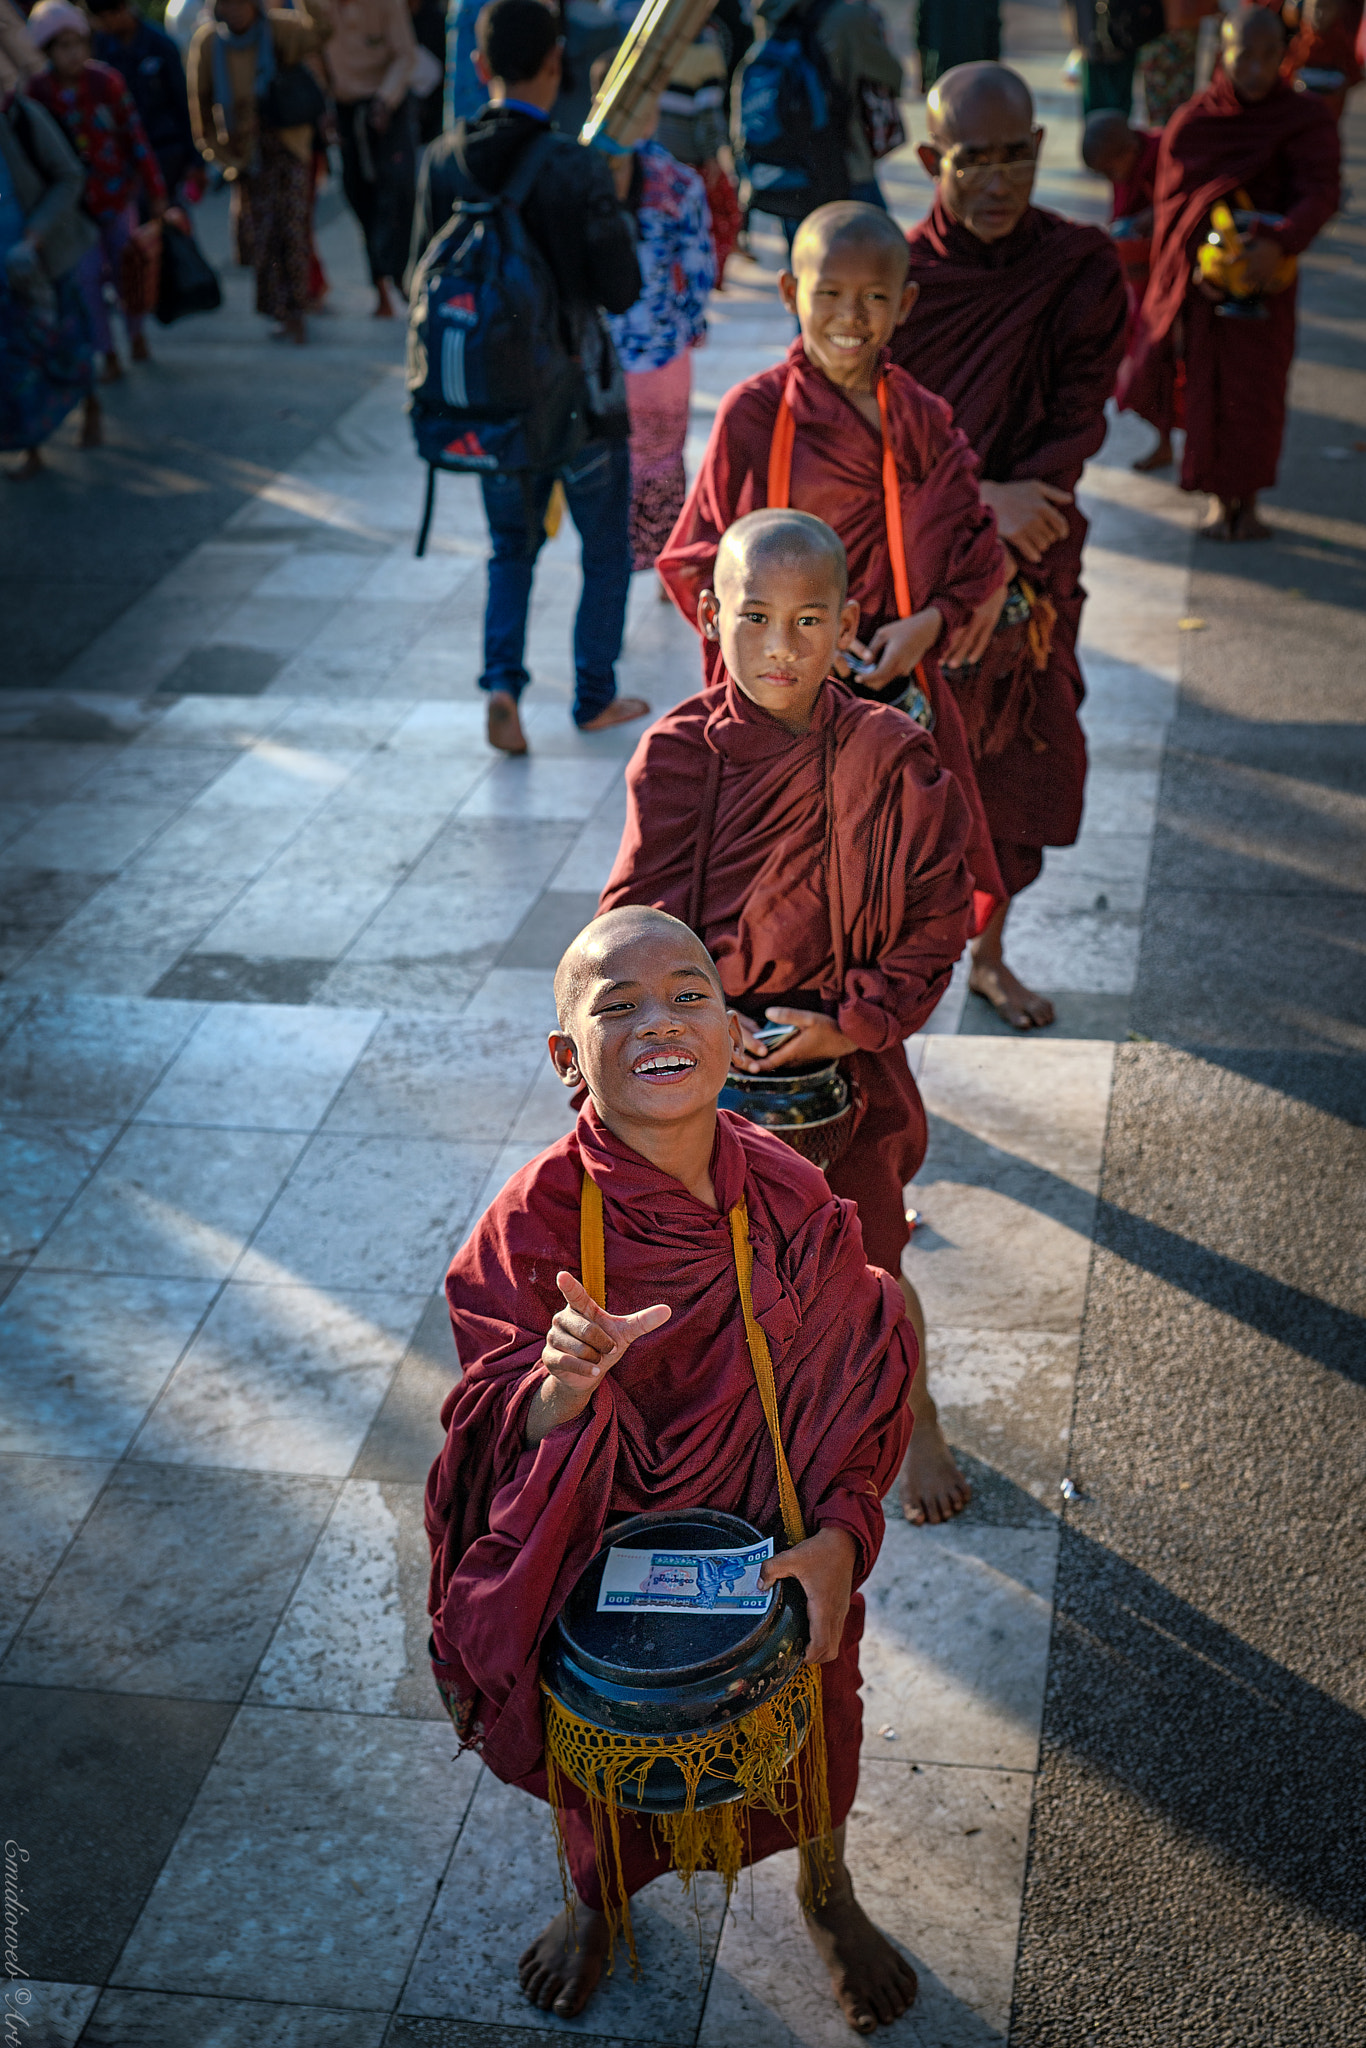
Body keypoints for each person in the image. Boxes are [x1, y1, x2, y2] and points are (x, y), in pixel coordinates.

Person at [426, 900, 921, 2033]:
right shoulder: (530, 1222)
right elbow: (488, 1438)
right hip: (603, 1554)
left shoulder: (789, 1188)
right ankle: (598, 1901)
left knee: (820, 1714)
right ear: (567, 1056)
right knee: (602, 1762)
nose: (663, 1020)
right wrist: (559, 1385)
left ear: (730, 1024)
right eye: (620, 1005)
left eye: (691, 993)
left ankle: (828, 1890)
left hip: (773, 1533)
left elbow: (861, 1370)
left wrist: (843, 1534)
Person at [606, 510, 981, 1529]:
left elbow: (940, 919)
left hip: (842, 1069)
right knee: (707, 1279)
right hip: (705, 1069)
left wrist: (853, 1022)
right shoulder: (677, 755)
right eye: (756, 617)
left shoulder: (889, 755)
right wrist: (694, 1020)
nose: (781, 648)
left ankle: (919, 1411)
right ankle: (740, 1436)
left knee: (871, 1268)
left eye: (810, 620)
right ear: (706, 611)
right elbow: (632, 922)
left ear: (850, 621)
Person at [890, 61, 1127, 1032]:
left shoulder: (1079, 266)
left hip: (1035, 555)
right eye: (970, 161)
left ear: (1040, 152)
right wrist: (979, 499)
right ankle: (900, 963)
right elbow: (878, 436)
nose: (994, 182)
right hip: (927, 566)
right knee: (911, 787)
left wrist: (1016, 519)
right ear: (929, 158)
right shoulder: (898, 282)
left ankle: (987, 950)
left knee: (1023, 769)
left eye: (1013, 160)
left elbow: (1076, 416)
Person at [410, 0, 646, 754]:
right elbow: (622, 289)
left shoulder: (444, 158)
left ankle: (503, 685)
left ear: (479, 70)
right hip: (581, 399)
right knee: (604, 549)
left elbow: (414, 270)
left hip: (496, 402)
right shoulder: (576, 166)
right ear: (558, 63)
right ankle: (594, 696)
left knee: (511, 547)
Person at [1121, 5, 1339, 542]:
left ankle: (1252, 501)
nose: (1259, 68)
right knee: (1211, 392)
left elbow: (1320, 189)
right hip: (1209, 285)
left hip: (1272, 280)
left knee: (1260, 393)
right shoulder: (1196, 122)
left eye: (1272, 55)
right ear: (1224, 53)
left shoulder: (1304, 117)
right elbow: (1173, 205)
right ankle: (1220, 501)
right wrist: (1200, 259)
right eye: (1247, 54)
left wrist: (1281, 240)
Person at [599, 77, 715, 572]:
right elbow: (700, 267)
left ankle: (611, 563)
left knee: (607, 468)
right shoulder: (679, 182)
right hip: (662, 350)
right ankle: (666, 564)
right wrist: (688, 323)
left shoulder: (581, 174)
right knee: (663, 465)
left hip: (599, 356)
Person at [27, 0, 166, 377]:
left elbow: (136, 138)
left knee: (130, 271)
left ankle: (136, 333)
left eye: (78, 44)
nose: (72, 54)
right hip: (73, 212)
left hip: (118, 197)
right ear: (47, 52)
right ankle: (107, 354)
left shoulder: (106, 82)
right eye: (62, 46)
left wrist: (155, 190)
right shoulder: (38, 95)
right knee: (87, 283)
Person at [188, 0, 335, 345]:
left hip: (290, 146)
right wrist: (227, 161)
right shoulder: (208, 43)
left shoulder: (280, 29)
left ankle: (298, 311)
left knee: (295, 229)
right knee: (263, 237)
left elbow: (323, 32)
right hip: (247, 157)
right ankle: (280, 312)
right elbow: (202, 116)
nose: (236, 9)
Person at [1, 77, 98, 476]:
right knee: (13, 364)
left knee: (67, 348)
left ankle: (93, 408)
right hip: (4, 275)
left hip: (46, 257)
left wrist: (37, 234)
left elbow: (69, 175)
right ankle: (31, 446)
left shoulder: (22, 116)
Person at [1082, 107, 1174, 469]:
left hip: (1176, 280)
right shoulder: (1127, 165)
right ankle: (1164, 440)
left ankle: (1176, 444)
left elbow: (1188, 201)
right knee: (1142, 364)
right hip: (1140, 281)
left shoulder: (1165, 153)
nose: (1111, 178)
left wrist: (1156, 216)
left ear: (1129, 151)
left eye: (1109, 169)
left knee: (1163, 363)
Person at [325, 0, 418, 318]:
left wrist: (385, 100)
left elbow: (406, 54)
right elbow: (312, 57)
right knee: (358, 197)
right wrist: (323, 106)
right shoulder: (315, 7)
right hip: (344, 110)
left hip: (387, 108)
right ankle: (380, 289)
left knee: (399, 195)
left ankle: (406, 279)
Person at [87, 0, 198, 204]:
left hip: (167, 149)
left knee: (172, 218)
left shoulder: (160, 44)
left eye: (105, 18)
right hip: (128, 156)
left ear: (121, 9)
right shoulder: (101, 47)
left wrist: (195, 160)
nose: (104, 25)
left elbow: (184, 102)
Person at [1139, 0, 1219, 127]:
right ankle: (1167, 135)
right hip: (1160, 24)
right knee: (1165, 98)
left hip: (1176, 24)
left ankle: (1171, 133)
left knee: (1177, 98)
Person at [914, 0, 1000, 92]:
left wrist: (923, 79)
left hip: (940, 75)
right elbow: (993, 34)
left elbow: (922, 36)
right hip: (975, 75)